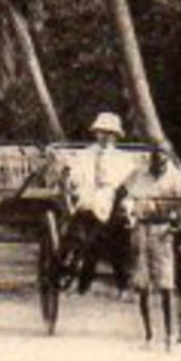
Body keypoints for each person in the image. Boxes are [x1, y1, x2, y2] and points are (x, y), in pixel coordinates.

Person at [116, 144, 181, 349]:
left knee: (166, 284)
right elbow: (126, 196)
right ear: (150, 159)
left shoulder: (174, 176)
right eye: (154, 162)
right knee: (143, 285)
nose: (157, 167)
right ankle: (149, 336)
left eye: (162, 163)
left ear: (167, 160)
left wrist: (177, 219)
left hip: (163, 231)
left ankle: (169, 335)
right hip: (140, 229)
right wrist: (128, 210)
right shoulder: (140, 173)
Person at [66, 111, 126, 293]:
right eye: (102, 132)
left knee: (112, 237)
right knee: (92, 235)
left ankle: (121, 283)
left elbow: (127, 182)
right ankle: (83, 284)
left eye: (110, 134)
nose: (106, 137)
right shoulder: (84, 155)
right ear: (96, 133)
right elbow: (74, 177)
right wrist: (76, 185)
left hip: (113, 202)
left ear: (116, 136)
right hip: (89, 200)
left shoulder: (122, 159)